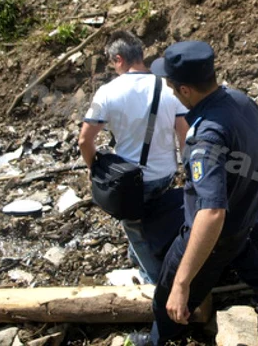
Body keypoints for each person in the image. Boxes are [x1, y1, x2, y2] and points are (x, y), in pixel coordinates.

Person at [125, 41, 258, 346]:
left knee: (167, 294)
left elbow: (211, 213)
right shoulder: (241, 101)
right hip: (244, 213)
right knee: (244, 255)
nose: (173, 93)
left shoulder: (207, 137)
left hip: (215, 232)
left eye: (173, 87)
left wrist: (181, 282)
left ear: (186, 89)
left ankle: (159, 339)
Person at [78, 30, 189, 284]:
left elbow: (85, 140)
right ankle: (142, 256)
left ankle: (157, 282)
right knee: (156, 217)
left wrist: (93, 167)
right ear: (140, 56)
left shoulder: (107, 93)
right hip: (166, 174)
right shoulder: (168, 87)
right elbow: (183, 135)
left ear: (118, 59)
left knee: (136, 229)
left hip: (131, 181)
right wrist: (187, 169)